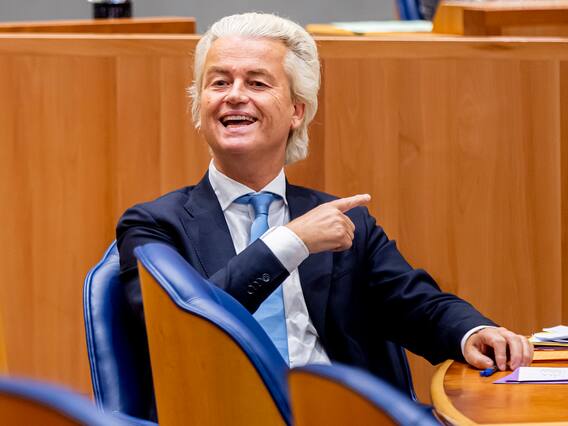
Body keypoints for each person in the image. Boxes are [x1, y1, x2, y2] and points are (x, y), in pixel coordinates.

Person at [117, 11, 532, 409]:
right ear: (199, 106)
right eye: (219, 82)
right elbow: (183, 327)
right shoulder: (154, 226)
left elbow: (416, 304)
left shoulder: (345, 222)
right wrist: (290, 243)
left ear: (296, 111)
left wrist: (473, 332)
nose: (235, 95)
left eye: (257, 83)